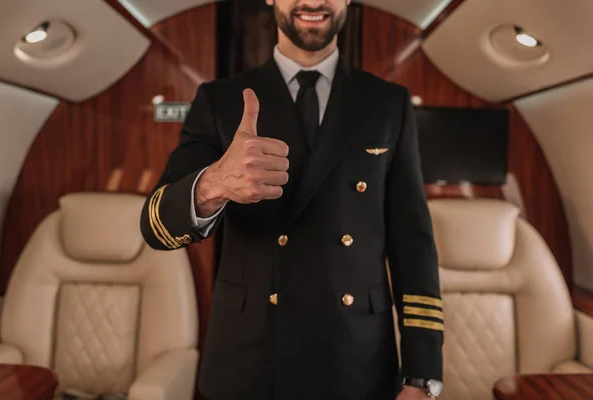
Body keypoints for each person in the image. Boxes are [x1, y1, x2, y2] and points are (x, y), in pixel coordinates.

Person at [140, 0, 444, 399]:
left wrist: (422, 376)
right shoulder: (222, 100)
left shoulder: (388, 104)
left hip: (358, 359)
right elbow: (155, 228)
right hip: (250, 360)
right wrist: (212, 183)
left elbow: (414, 246)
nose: (314, 2)